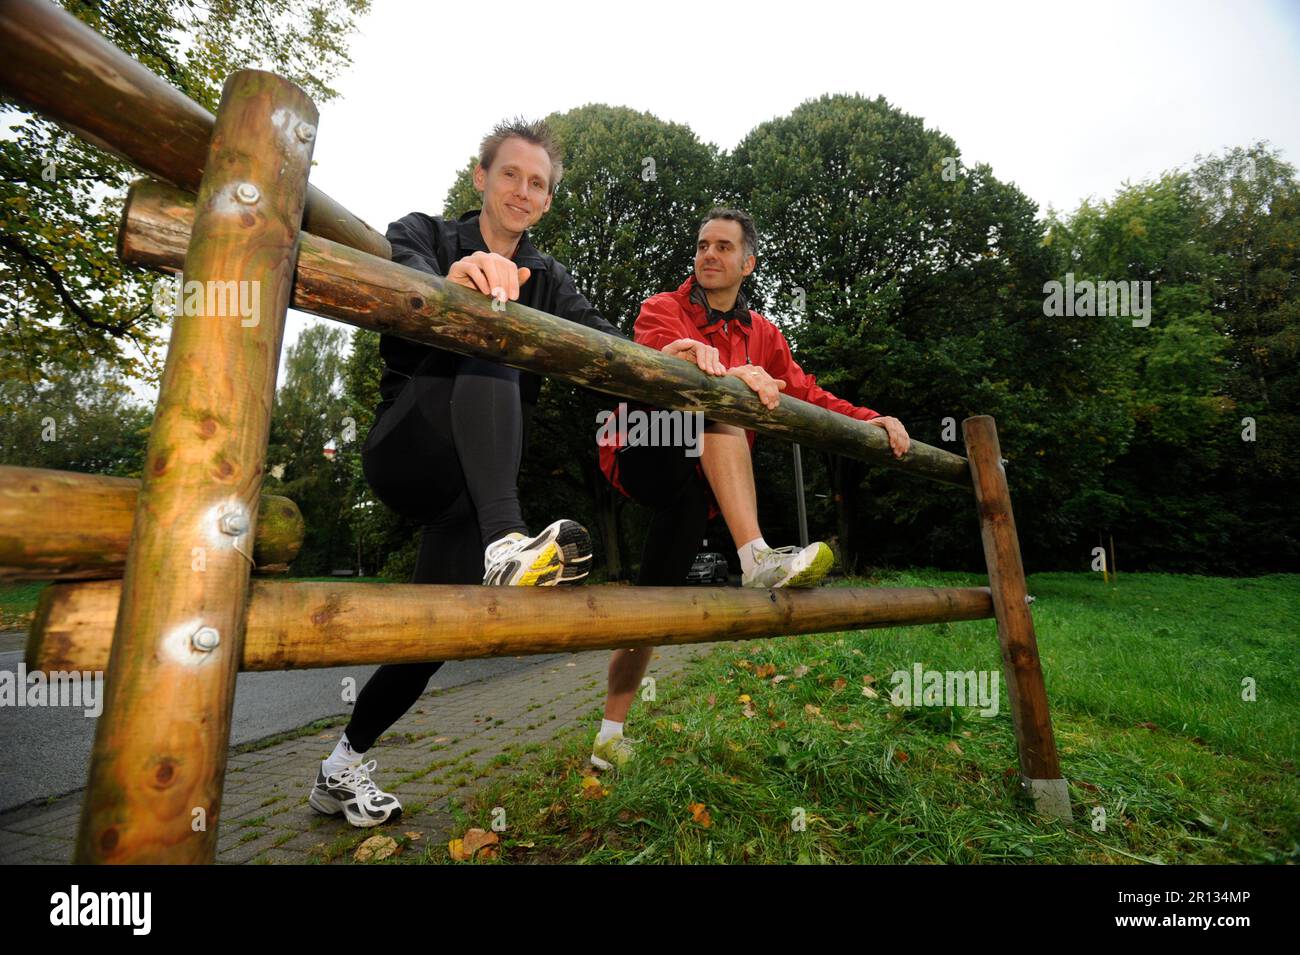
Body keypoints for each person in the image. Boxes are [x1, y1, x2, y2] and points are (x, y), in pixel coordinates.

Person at [308, 118, 626, 827]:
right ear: (480, 178)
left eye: (537, 183)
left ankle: (340, 765)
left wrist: (683, 357)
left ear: (546, 201)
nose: (522, 190)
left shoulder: (549, 277)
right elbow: (403, 271)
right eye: (509, 174)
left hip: (474, 489)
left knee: (434, 637)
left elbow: (607, 345)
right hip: (413, 446)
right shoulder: (424, 231)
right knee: (491, 315)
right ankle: (508, 542)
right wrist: (451, 281)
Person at [589, 207, 912, 770]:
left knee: (653, 600)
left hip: (699, 483)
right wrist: (716, 367)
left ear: (748, 262)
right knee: (724, 398)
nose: (708, 255)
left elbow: (807, 394)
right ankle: (755, 556)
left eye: (722, 247)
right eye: (701, 245)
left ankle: (607, 737)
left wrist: (870, 418)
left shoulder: (762, 333)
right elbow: (661, 359)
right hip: (647, 444)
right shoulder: (662, 307)